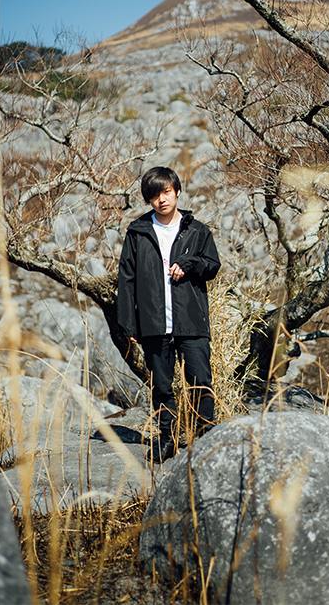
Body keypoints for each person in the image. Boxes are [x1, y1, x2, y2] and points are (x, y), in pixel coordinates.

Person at [117, 166, 221, 463]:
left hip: (191, 320)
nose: (161, 199)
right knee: (162, 386)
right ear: (148, 200)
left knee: (200, 380)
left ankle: (207, 438)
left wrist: (189, 263)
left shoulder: (197, 230)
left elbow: (212, 265)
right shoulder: (138, 232)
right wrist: (128, 322)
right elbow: (126, 278)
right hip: (153, 323)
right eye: (154, 195)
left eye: (166, 192)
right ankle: (166, 439)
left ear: (176, 191)